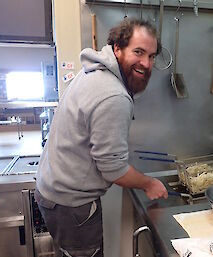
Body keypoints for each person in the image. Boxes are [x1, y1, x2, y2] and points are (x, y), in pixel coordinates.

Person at [35, 18, 168, 257]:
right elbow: (113, 169)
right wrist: (149, 183)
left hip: (54, 195)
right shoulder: (113, 95)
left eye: (151, 55)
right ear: (117, 48)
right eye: (138, 52)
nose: (146, 63)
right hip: (72, 206)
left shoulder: (92, 73)